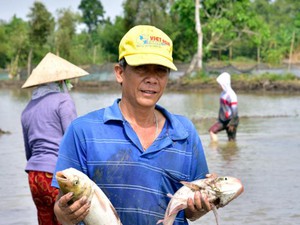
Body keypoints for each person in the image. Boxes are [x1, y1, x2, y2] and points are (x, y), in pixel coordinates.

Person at [52, 25, 212, 225]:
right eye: (142, 68)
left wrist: (199, 207)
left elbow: (191, 212)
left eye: (161, 71)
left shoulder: (185, 133)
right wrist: (65, 213)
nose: (152, 79)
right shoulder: (82, 131)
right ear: (120, 73)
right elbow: (61, 208)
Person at [21, 52, 89, 225]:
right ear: (61, 81)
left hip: (34, 176)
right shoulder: (63, 100)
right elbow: (74, 140)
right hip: (57, 175)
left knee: (45, 220)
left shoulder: (27, 109)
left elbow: (29, 152)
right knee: (68, 220)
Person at [209, 72, 239, 142]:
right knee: (212, 131)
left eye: (220, 84)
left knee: (231, 140)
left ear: (224, 83)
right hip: (223, 120)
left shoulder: (231, 95)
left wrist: (233, 123)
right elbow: (222, 108)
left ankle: (230, 151)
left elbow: (235, 111)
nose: (219, 86)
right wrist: (219, 119)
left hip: (231, 120)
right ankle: (215, 151)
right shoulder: (222, 94)